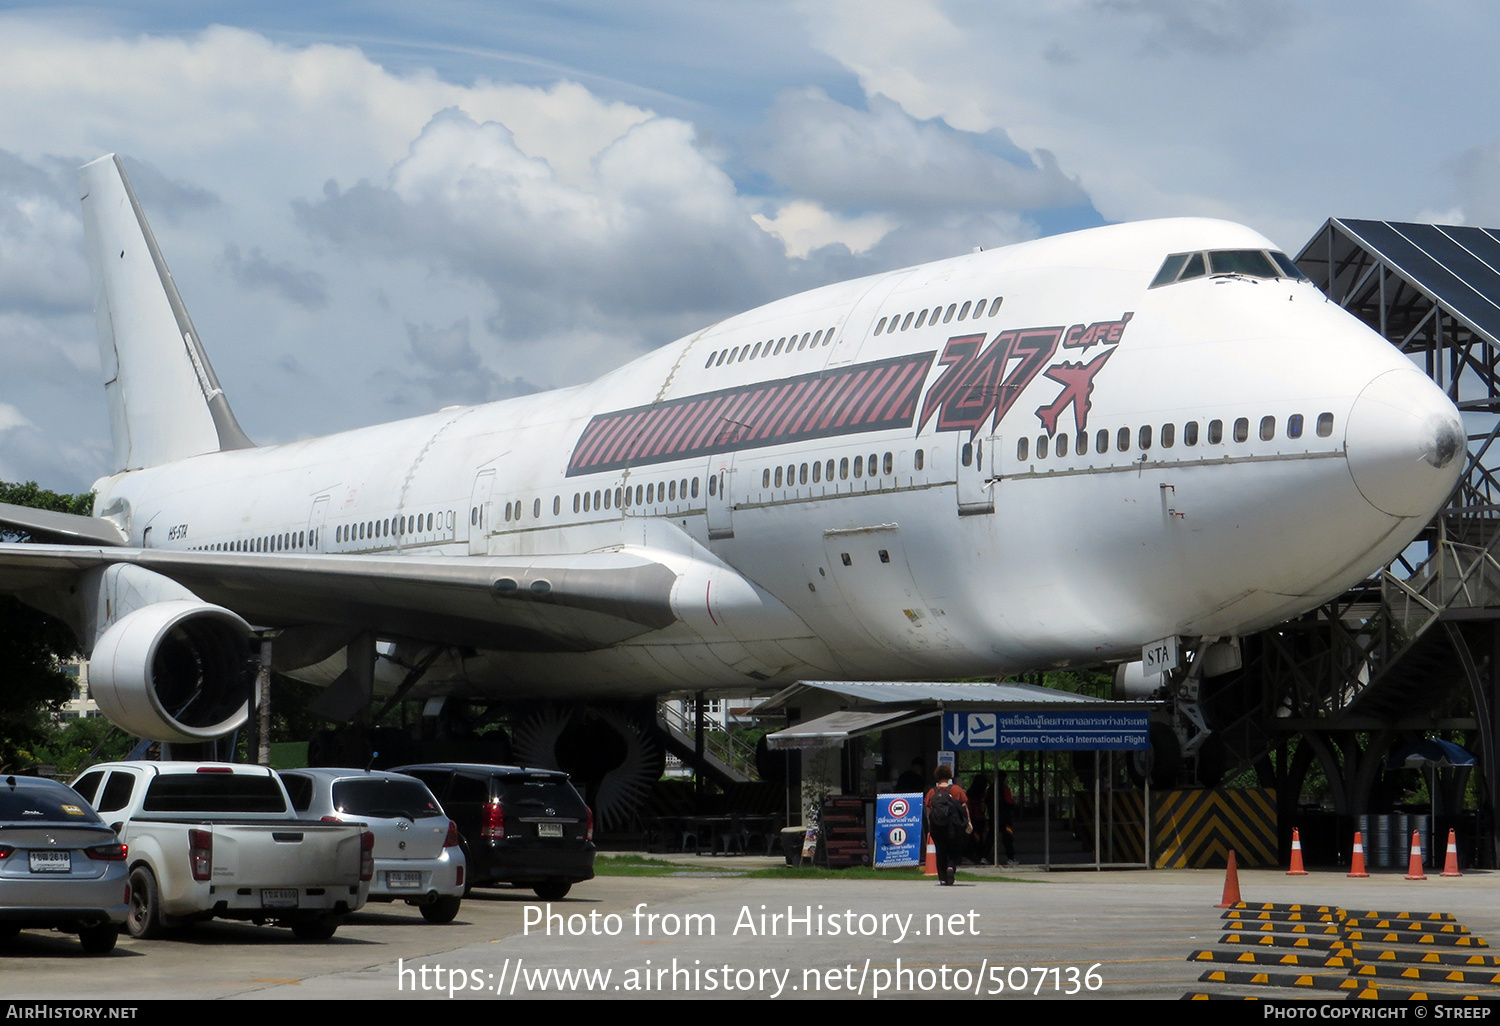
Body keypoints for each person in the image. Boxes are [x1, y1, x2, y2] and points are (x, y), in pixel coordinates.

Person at [924, 765, 971, 885]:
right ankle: (951, 867)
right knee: (955, 848)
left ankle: (942, 877)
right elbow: (964, 807)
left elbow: (928, 809)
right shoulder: (956, 790)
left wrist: (930, 825)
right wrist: (968, 822)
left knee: (940, 850)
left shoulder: (932, 792)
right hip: (953, 826)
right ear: (949, 776)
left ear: (937, 776)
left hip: (937, 826)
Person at [995, 770, 1017, 865]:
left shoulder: (991, 789)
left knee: (991, 837)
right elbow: (1009, 802)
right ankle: (1010, 857)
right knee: (1008, 837)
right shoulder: (1005, 789)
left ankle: (983, 856)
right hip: (1005, 817)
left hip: (994, 816)